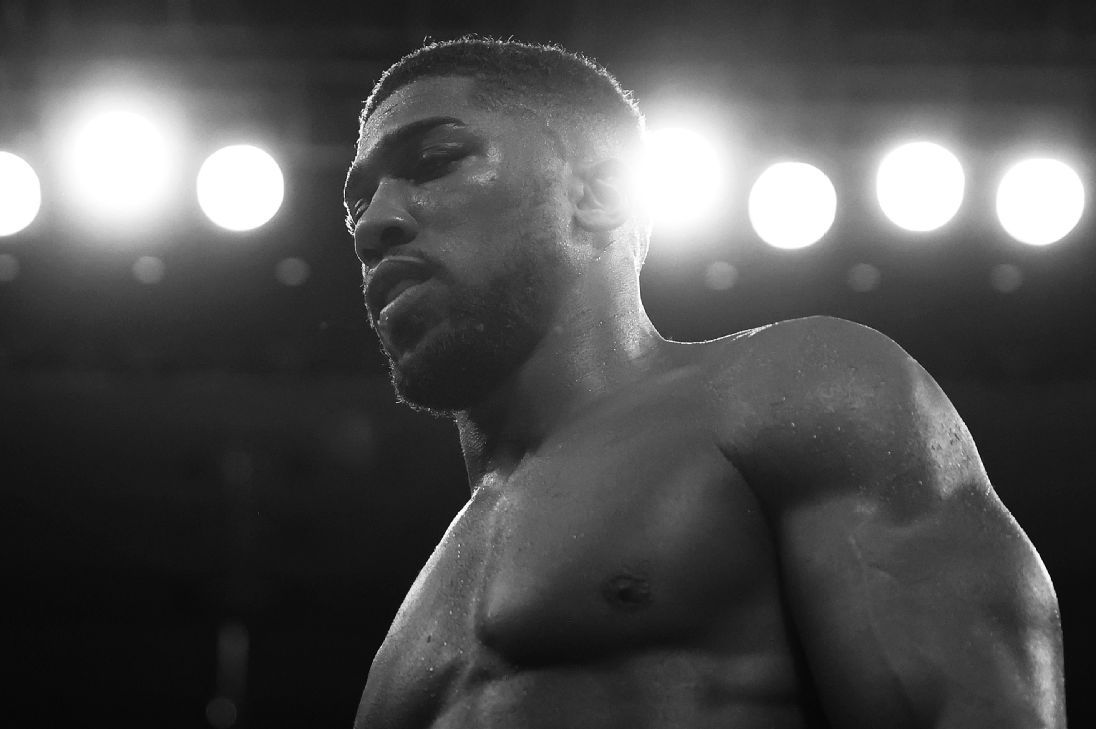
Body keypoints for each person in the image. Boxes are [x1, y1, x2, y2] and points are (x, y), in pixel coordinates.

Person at [343, 37, 1065, 729]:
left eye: (433, 161)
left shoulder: (793, 390)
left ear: (596, 193)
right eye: (355, 203)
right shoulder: (411, 623)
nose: (373, 224)